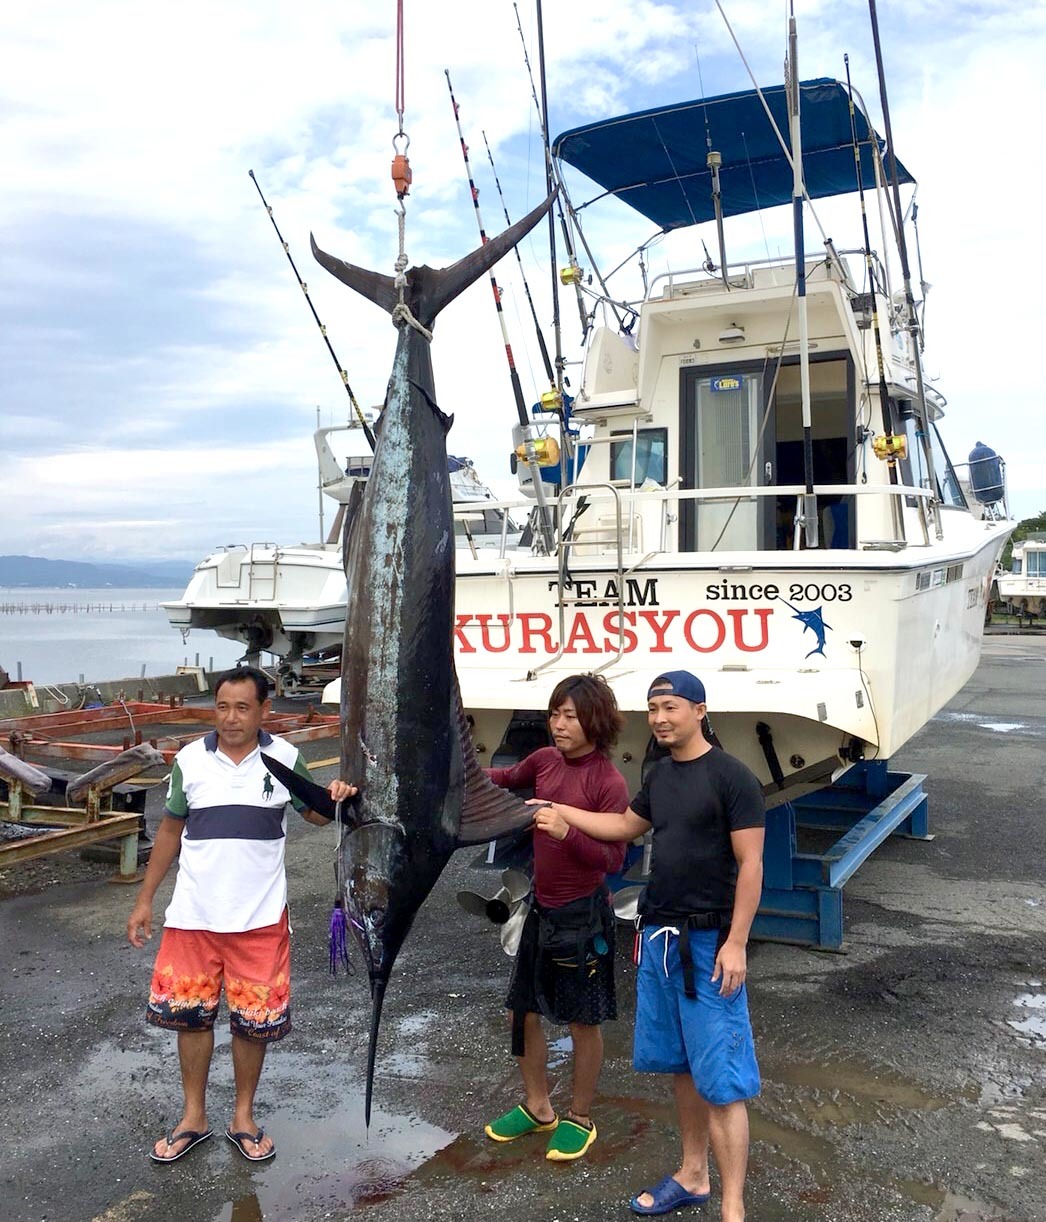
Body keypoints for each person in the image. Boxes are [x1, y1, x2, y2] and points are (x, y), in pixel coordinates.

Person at [531, 670, 764, 1221]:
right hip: (659, 938)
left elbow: (752, 864)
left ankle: (734, 1208)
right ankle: (693, 1174)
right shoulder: (658, 774)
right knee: (681, 1066)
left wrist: (737, 942)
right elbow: (623, 827)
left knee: (723, 1081)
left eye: (670, 707)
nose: (659, 718)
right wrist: (562, 812)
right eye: (653, 707)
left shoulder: (733, 778)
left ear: (700, 711)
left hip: (708, 944)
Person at [126, 666, 355, 1164]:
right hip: (193, 916)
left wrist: (335, 795)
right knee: (191, 1020)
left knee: (253, 1024)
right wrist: (146, 899)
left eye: (243, 707)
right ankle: (194, 1118)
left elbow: (316, 814)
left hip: (260, 918)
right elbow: (169, 831)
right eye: (222, 707)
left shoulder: (284, 758)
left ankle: (243, 1118)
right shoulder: (190, 760)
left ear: (264, 710)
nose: (230, 718)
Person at [483, 674, 631, 1162]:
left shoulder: (607, 780)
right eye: (554, 713)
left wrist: (568, 831)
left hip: (583, 916)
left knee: (581, 1021)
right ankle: (538, 1106)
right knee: (520, 1011)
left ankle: (581, 1117)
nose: (559, 724)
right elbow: (502, 780)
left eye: (570, 715)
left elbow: (614, 862)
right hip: (541, 911)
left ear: (595, 721)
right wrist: (459, 771)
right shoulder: (544, 761)